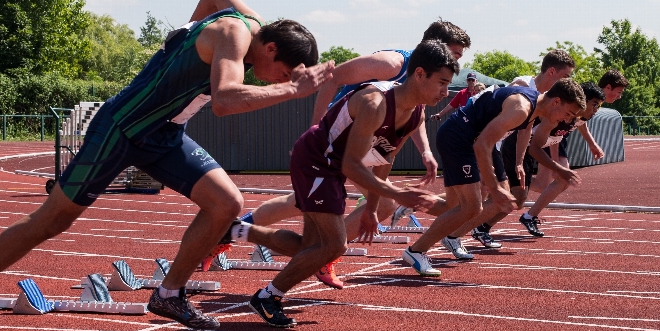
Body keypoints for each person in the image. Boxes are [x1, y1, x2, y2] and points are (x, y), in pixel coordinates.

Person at [0, 0, 336, 331]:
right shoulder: (233, 33)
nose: (269, 80)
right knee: (52, 220)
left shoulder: (252, 23)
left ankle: (169, 294)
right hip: (122, 130)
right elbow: (227, 100)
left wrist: (180, 38)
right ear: (269, 48)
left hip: (163, 136)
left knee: (226, 203)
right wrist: (290, 89)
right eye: (277, 71)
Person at [206, 20, 472, 287]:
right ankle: (324, 253)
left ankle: (244, 231)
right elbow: (332, 77)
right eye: (455, 55)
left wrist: (424, 150)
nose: (455, 63)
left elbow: (409, 116)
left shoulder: (422, 86)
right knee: (379, 202)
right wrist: (316, 128)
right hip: (336, 138)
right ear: (432, 52)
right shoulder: (392, 64)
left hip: (365, 139)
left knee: (303, 204)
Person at [400, 78, 586, 277]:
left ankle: (407, 200)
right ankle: (416, 251)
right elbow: (482, 145)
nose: (567, 120)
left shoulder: (534, 106)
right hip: (459, 139)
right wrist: (495, 188)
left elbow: (523, 132)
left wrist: (518, 163)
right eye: (568, 113)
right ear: (556, 101)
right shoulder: (521, 108)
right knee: (471, 206)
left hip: (463, 138)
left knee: (453, 207)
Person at [516, 82, 607, 235]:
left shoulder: (581, 115)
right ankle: (525, 213)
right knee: (558, 180)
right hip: (524, 143)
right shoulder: (560, 115)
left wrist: (592, 144)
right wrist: (556, 165)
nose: (596, 110)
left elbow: (579, 125)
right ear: (583, 101)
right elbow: (549, 138)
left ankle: (527, 213)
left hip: (542, 143)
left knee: (541, 185)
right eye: (594, 105)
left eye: (599, 106)